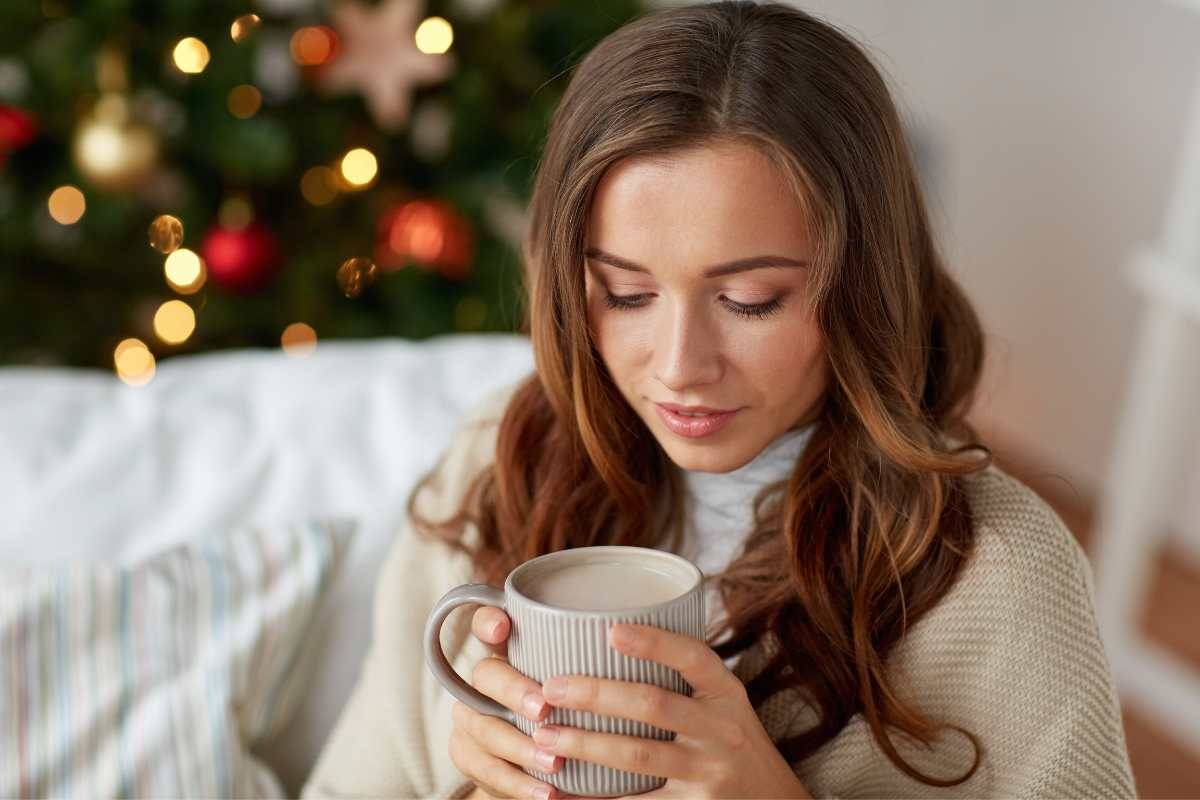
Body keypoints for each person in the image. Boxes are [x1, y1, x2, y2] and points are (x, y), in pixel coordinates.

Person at [301, 1, 1138, 798]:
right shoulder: (497, 464)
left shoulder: (994, 571)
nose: (678, 368)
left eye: (750, 301)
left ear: (864, 287)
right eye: (625, 294)